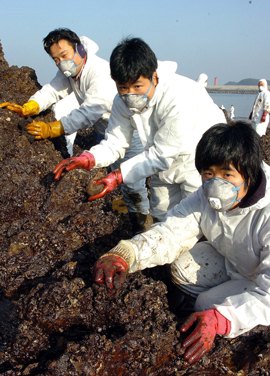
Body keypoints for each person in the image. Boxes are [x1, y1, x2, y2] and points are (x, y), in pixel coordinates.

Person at [93, 121, 270, 364]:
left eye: (227, 174)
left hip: (264, 284)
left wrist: (222, 318)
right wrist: (126, 253)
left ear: (249, 174)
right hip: (236, 263)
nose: (216, 184)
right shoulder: (204, 195)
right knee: (182, 267)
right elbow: (172, 231)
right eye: (208, 174)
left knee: (207, 304)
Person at [53, 37, 226, 223]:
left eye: (137, 86)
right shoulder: (121, 101)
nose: (130, 95)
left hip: (199, 160)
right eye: (123, 87)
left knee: (198, 219)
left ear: (154, 77)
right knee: (162, 217)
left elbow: (161, 154)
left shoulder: (177, 97)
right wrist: (89, 158)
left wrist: (118, 176)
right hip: (163, 164)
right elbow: (115, 142)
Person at [0, 28, 149, 232]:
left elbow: (88, 113)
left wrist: (52, 129)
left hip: (128, 132)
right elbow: (53, 90)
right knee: (110, 170)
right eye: (55, 59)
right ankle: (121, 207)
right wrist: (31, 105)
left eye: (64, 55)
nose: (61, 63)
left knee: (132, 178)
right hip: (102, 130)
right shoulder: (71, 72)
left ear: (79, 48)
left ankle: (140, 223)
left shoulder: (99, 72)